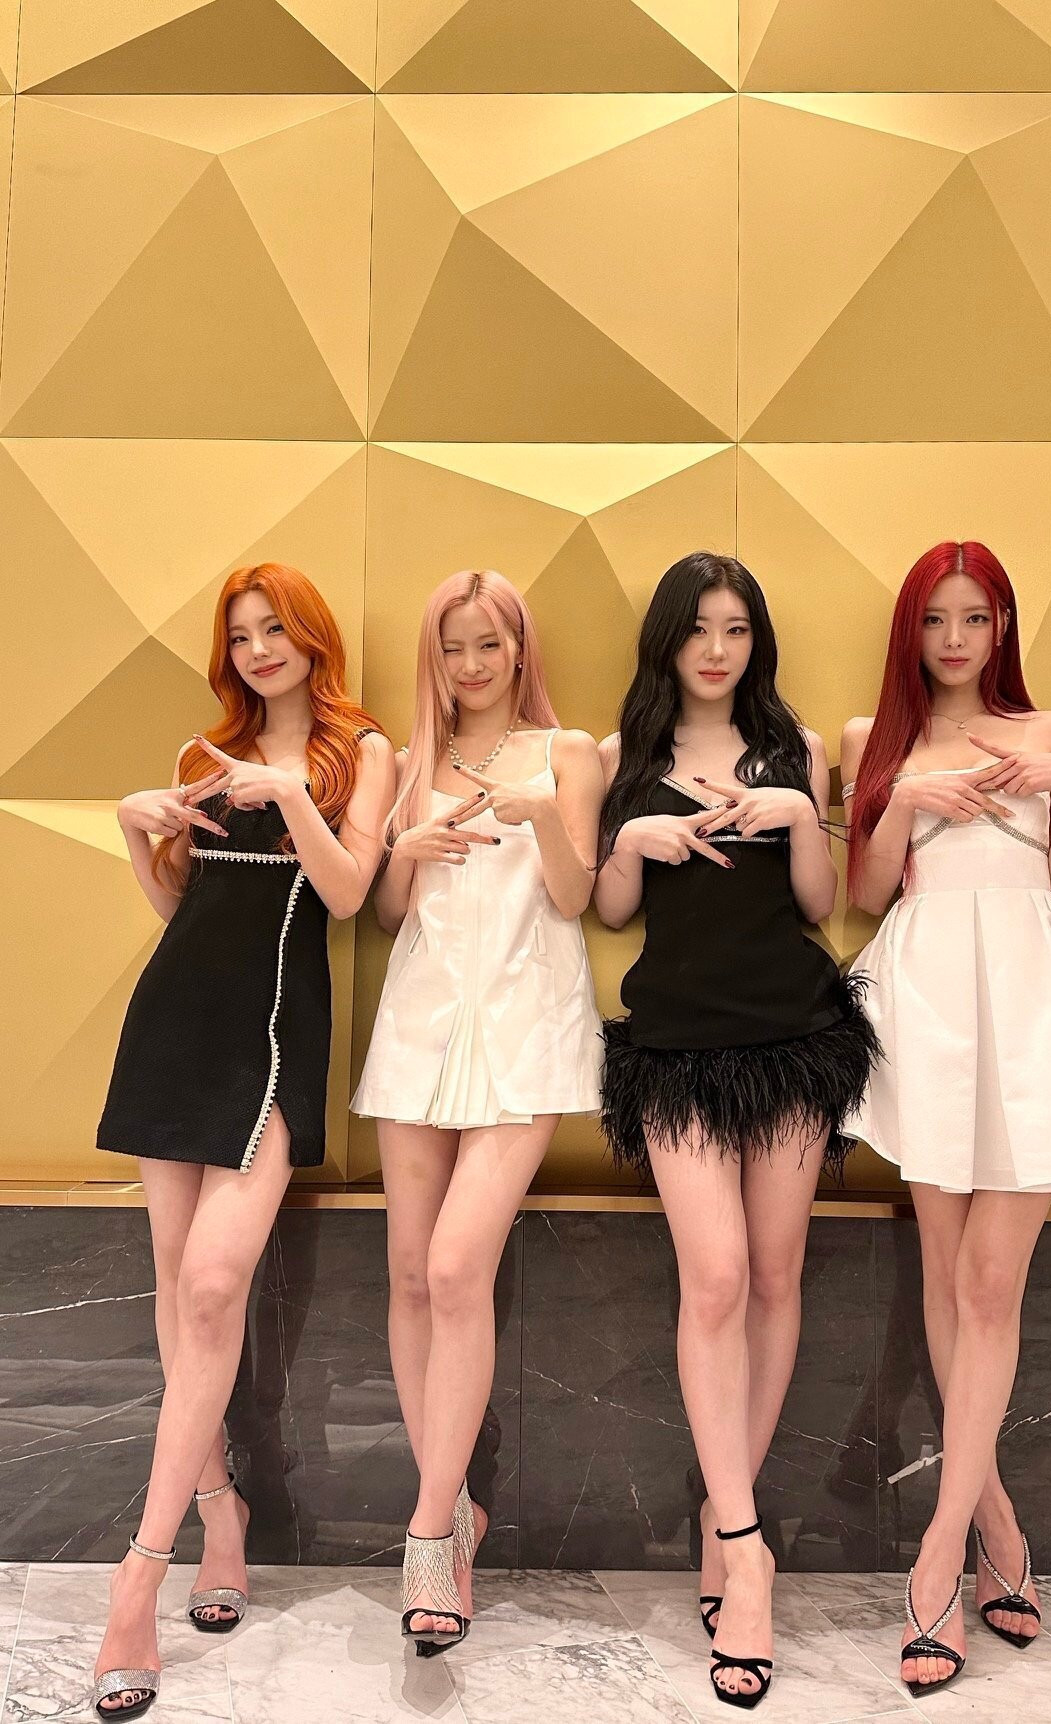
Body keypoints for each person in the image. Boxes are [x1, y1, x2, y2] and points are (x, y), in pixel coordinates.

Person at [841, 540, 1051, 1697]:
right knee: (944, 1272)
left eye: (973, 616)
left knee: (986, 1282)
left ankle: (938, 1550)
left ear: (1001, 624)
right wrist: (900, 799)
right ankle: (1000, 1529)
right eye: (935, 618)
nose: (954, 639)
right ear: (911, 630)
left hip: (1027, 1002)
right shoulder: (875, 742)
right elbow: (865, 892)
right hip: (925, 1002)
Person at [91, 563, 394, 1718]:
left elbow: (350, 892)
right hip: (174, 1022)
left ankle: (138, 1574)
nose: (260, 649)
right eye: (242, 635)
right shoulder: (203, 752)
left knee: (215, 1284)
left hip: (273, 1037)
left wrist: (292, 793)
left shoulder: (361, 752)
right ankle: (221, 1512)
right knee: (180, 1290)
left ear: (312, 637)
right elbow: (183, 908)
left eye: (276, 629)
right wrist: (136, 833)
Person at [594, 551, 878, 1710]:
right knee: (710, 1276)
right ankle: (746, 1544)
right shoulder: (622, 758)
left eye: (736, 629)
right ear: (666, 639)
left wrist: (797, 810)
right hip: (674, 1046)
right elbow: (610, 909)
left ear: (756, 640)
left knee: (771, 1274)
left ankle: (730, 1529)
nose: (716, 650)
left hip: (792, 1036)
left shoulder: (791, 747)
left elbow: (820, 902)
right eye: (698, 629)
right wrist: (632, 842)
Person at [352, 569, 603, 1653]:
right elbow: (389, 914)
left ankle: (423, 1532)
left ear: (518, 648)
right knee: (412, 1275)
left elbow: (577, 895)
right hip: (419, 1023)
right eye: (451, 646)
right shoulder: (414, 761)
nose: (469, 665)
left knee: (457, 1268)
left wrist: (539, 810)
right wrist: (400, 856)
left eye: (487, 644)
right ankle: (452, 1513)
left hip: (525, 1027)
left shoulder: (568, 751)